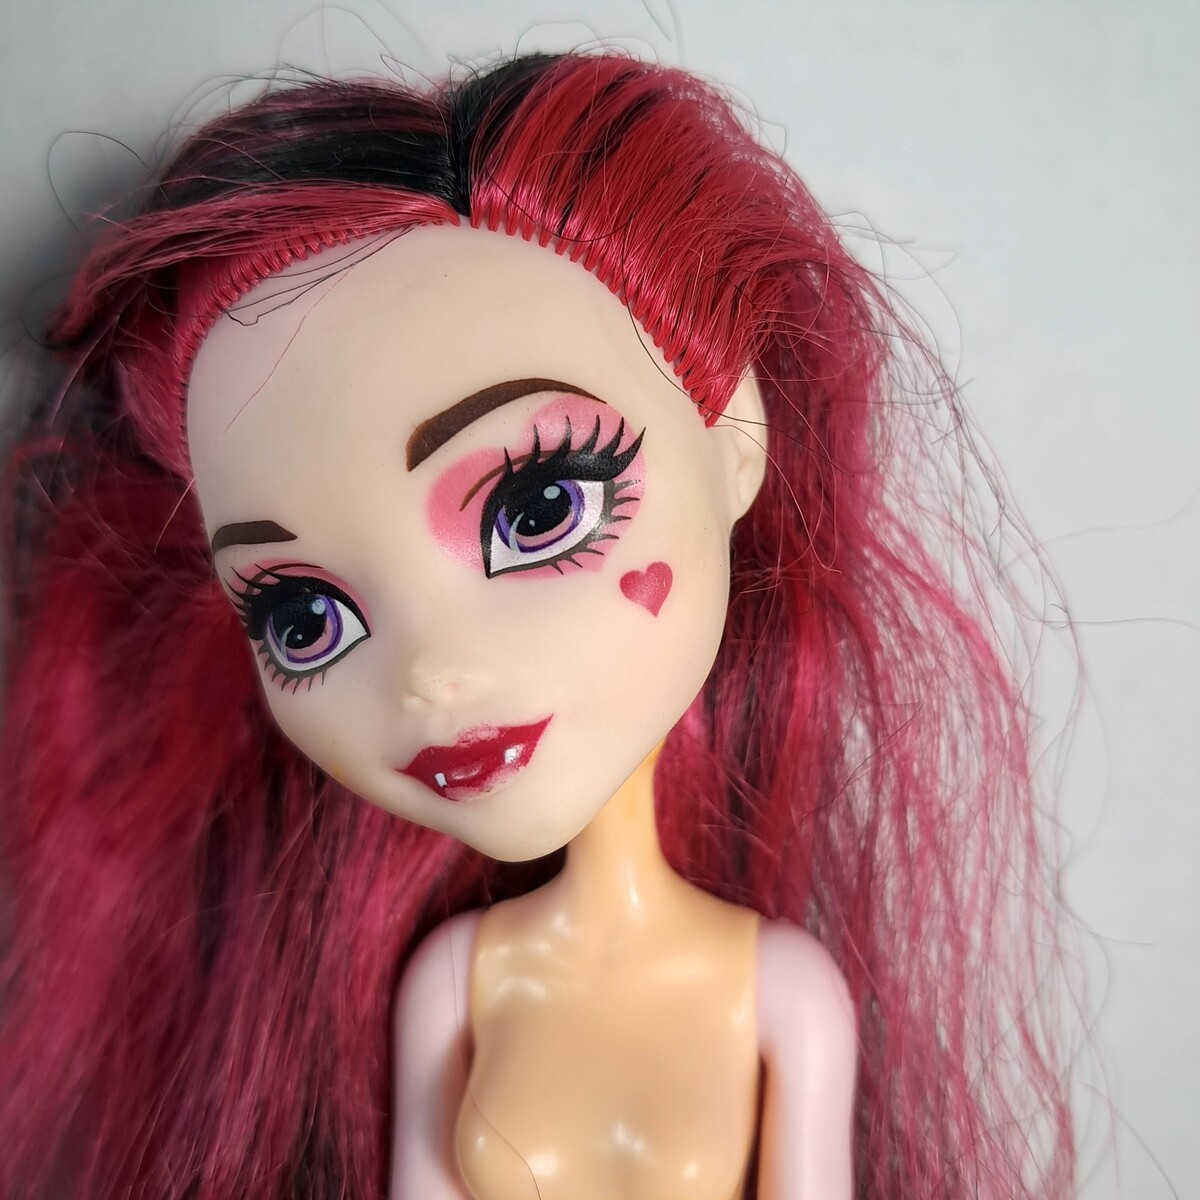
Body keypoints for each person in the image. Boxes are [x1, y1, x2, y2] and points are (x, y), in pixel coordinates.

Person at [0, 52, 1074, 1199]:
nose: (430, 674)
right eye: (306, 615)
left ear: (731, 437)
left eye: (536, 508)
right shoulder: (458, 983)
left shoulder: (777, 992)